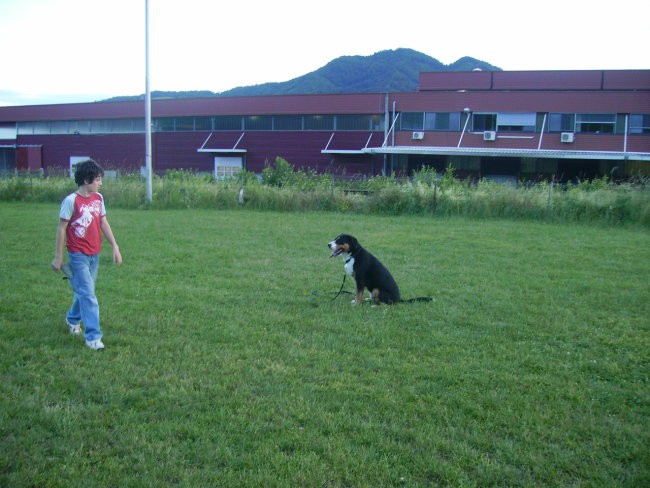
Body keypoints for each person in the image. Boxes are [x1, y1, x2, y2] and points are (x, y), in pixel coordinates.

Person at [51, 159, 122, 350]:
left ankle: (72, 319)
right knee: (89, 295)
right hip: (78, 254)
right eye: (97, 179)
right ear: (85, 180)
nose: (100, 183)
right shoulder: (71, 201)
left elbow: (103, 222)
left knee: (84, 291)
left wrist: (115, 245)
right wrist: (58, 257)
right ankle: (93, 338)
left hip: (94, 254)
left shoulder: (98, 198)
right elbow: (61, 229)